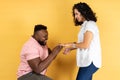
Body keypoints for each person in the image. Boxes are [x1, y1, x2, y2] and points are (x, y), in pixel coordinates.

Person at [62, 2, 102, 80]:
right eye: (75, 14)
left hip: (91, 61)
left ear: (83, 12)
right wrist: (70, 48)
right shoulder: (85, 25)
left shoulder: (90, 25)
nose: (75, 16)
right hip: (87, 61)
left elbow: (85, 45)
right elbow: (83, 43)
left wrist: (71, 45)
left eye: (77, 13)